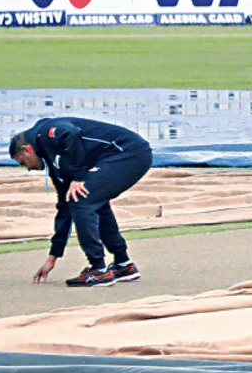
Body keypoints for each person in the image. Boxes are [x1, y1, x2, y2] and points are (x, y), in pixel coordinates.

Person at [10, 117, 152, 287]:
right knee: (87, 198)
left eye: (23, 162)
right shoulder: (53, 161)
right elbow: (64, 206)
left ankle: (98, 270)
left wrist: (78, 177)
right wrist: (53, 257)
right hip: (120, 156)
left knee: (81, 199)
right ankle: (123, 265)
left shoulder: (46, 132)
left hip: (129, 152)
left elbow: (70, 132)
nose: (28, 168)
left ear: (27, 149)